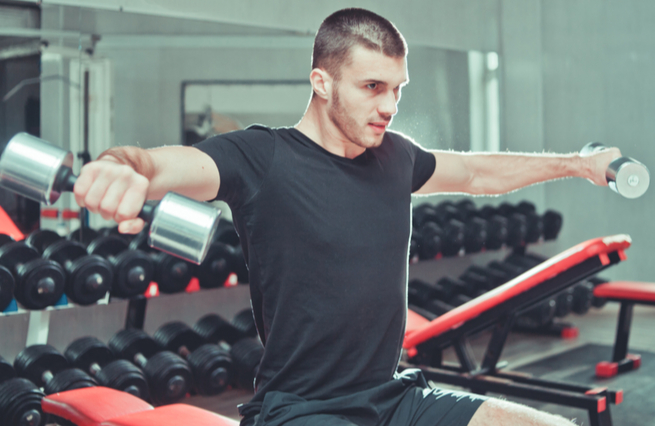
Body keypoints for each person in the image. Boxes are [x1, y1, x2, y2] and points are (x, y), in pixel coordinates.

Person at [74, 8, 619, 426]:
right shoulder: (262, 159)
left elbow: (478, 173)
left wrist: (579, 165)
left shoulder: (397, 157)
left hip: (394, 396)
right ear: (321, 82)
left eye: (397, 89)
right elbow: (161, 163)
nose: (389, 106)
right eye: (372, 87)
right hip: (301, 409)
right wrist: (122, 166)